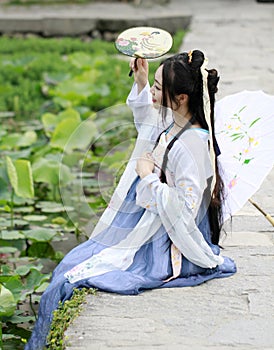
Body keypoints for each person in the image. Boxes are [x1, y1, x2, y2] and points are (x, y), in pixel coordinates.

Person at [25, 49, 236, 350]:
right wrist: (140, 81)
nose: (153, 90)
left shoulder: (192, 144)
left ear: (181, 99)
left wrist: (148, 176)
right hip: (152, 222)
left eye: (158, 87)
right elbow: (148, 122)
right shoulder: (175, 120)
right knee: (69, 266)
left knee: (70, 278)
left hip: (168, 243)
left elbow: (186, 213)